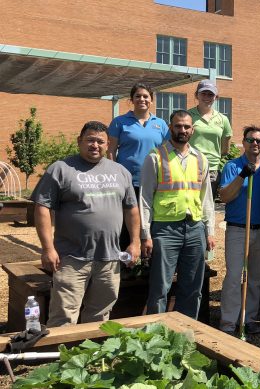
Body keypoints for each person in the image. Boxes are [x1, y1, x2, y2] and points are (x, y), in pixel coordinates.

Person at [33, 121, 140, 327]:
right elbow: (42, 208)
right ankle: (61, 358)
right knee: (63, 316)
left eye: (100, 141)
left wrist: (135, 242)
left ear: (108, 144)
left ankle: (93, 358)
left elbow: (131, 209)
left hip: (109, 258)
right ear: (79, 141)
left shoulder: (120, 171)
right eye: (90, 140)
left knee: (100, 315)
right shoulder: (61, 169)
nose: (95, 145)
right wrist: (47, 248)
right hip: (72, 258)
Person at [140, 110, 215, 319]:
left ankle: (185, 334)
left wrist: (209, 231)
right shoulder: (156, 156)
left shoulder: (200, 159)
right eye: (178, 126)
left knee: (192, 287)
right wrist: (145, 233)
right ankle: (155, 335)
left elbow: (206, 198)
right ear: (170, 127)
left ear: (192, 129)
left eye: (186, 127)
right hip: (164, 229)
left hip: (194, 228)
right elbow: (145, 198)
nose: (182, 130)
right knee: (160, 288)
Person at [217, 126, 260, 335]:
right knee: (233, 276)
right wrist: (242, 176)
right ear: (244, 142)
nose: (255, 144)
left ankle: (249, 317)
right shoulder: (232, 166)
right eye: (251, 140)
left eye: (259, 140)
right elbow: (225, 196)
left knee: (255, 277)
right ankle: (229, 322)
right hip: (238, 229)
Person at [107, 83, 169, 248]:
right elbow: (111, 150)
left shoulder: (161, 124)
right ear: (131, 100)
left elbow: (167, 152)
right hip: (127, 182)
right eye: (138, 96)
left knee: (150, 222)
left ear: (151, 100)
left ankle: (147, 262)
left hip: (153, 183)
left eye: (146, 96)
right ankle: (127, 263)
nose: (142, 99)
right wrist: (114, 177)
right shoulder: (119, 122)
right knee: (127, 224)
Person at [188, 80, 233, 199]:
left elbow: (225, 149)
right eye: (203, 93)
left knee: (207, 206)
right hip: (190, 166)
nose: (207, 97)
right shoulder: (187, 116)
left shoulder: (223, 119)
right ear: (196, 95)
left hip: (212, 169)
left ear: (216, 97)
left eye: (210, 94)